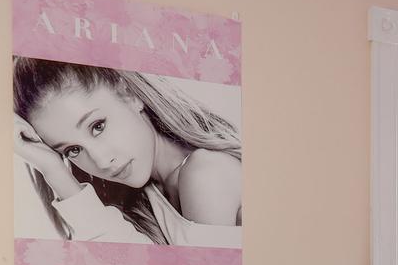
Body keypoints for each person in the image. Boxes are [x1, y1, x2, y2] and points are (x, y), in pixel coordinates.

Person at [12, 57, 242, 247]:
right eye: (73, 150)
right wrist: (52, 169)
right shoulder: (148, 195)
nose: (101, 162)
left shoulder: (205, 173)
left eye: (98, 126)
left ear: (129, 95)